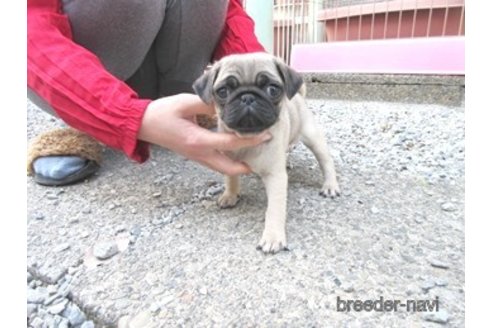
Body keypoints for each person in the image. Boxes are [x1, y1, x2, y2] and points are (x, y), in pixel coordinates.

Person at [27, 0, 271, 186]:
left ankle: (177, 107)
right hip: (81, 67)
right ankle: (86, 119)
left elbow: (228, 10)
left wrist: (260, 75)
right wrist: (125, 115)